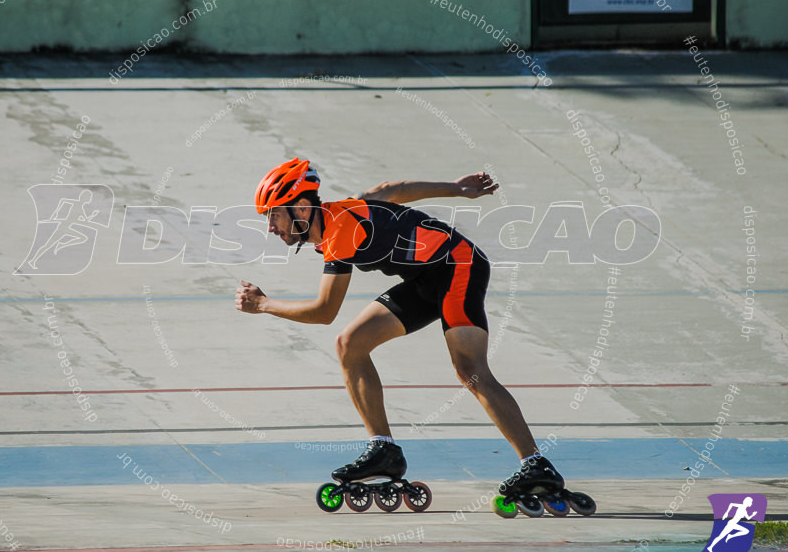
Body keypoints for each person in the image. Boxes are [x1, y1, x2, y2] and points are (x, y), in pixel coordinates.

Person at [235, 158, 564, 497]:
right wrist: (457, 189)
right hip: (424, 277)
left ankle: (536, 464)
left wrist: (263, 305)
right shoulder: (341, 212)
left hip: (458, 266)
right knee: (351, 344)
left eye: (273, 215)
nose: (271, 228)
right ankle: (384, 450)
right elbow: (392, 190)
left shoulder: (341, 232)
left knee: (470, 368)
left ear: (301, 208)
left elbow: (324, 311)